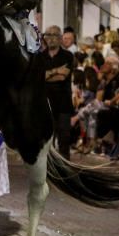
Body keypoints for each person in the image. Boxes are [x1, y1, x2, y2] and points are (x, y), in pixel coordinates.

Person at [40, 26, 75, 160]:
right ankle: (48, 169)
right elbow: (38, 77)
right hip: (46, 103)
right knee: (46, 138)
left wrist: (47, 74)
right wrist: (55, 71)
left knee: (64, 139)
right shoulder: (40, 57)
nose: (51, 38)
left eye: (55, 35)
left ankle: (65, 168)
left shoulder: (67, 56)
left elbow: (63, 76)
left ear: (60, 39)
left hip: (63, 104)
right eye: (48, 35)